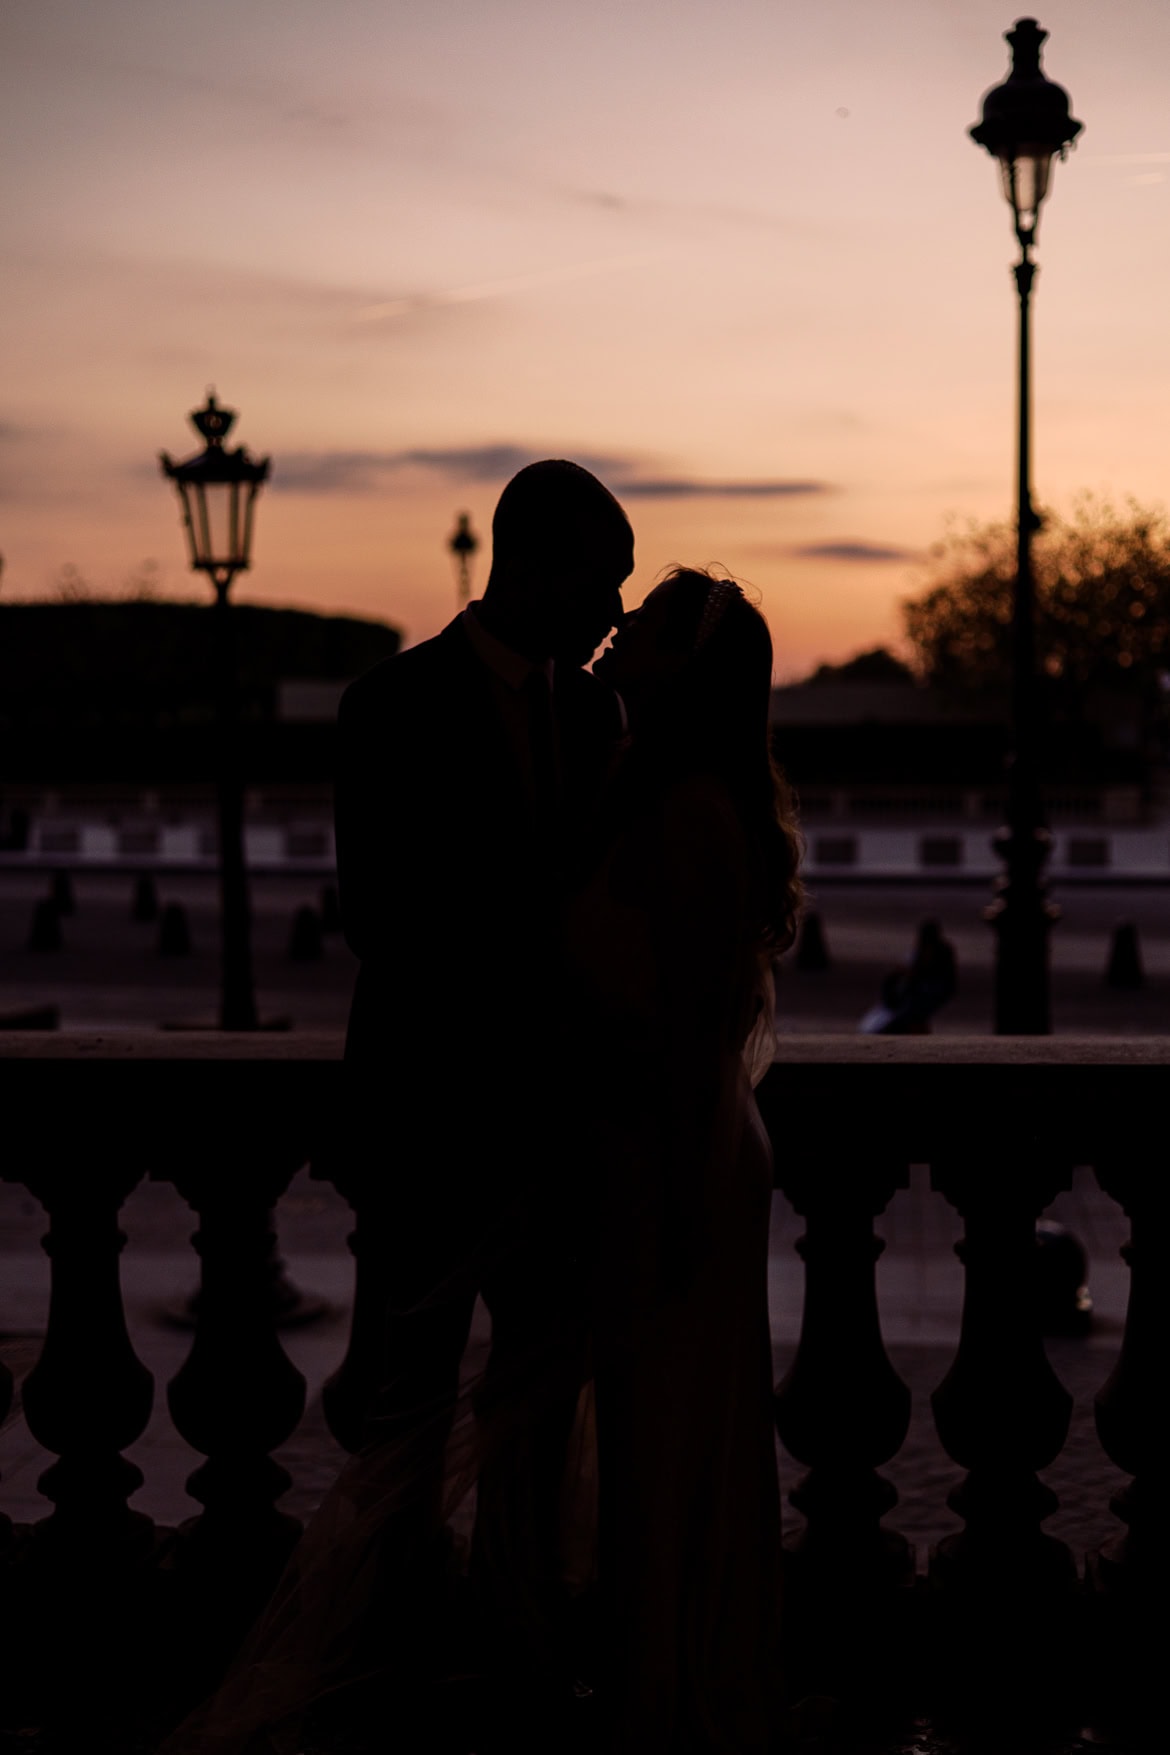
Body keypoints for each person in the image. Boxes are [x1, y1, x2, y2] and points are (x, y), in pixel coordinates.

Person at [158, 459, 633, 1754]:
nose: (614, 613)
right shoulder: (390, 705)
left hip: (552, 1135)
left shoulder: (598, 716)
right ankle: (386, 1658)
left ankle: (518, 1651)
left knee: (534, 1422)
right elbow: (382, 914)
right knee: (403, 1411)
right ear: (527, 566)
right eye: (602, 584)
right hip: (433, 1124)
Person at [570, 567, 804, 1753]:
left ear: (684, 668)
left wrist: (672, 1202)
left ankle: (668, 1695)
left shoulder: (688, 814)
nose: (617, 630)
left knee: (669, 1444)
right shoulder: (659, 792)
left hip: (678, 1153)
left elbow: (687, 1033)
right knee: (665, 1436)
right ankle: (663, 1678)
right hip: (665, 1145)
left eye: (646, 623)